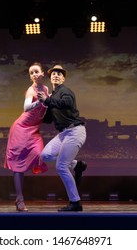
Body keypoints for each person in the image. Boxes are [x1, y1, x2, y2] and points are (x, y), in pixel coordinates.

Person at [37, 64, 87, 212]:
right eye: (53, 74)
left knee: (61, 166)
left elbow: (67, 103)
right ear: (50, 78)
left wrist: (47, 101)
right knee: (45, 155)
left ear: (63, 78)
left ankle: (75, 202)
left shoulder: (66, 91)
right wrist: (39, 104)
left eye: (59, 74)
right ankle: (77, 165)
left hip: (75, 131)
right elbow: (47, 118)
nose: (56, 75)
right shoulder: (52, 96)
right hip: (64, 133)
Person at [4, 62, 49, 211]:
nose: (34, 74)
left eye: (36, 71)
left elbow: (46, 109)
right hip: (21, 129)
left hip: (34, 130)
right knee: (18, 166)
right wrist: (39, 102)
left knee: (40, 154)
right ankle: (20, 199)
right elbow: (26, 107)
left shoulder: (46, 89)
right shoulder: (31, 90)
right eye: (31, 73)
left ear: (42, 73)